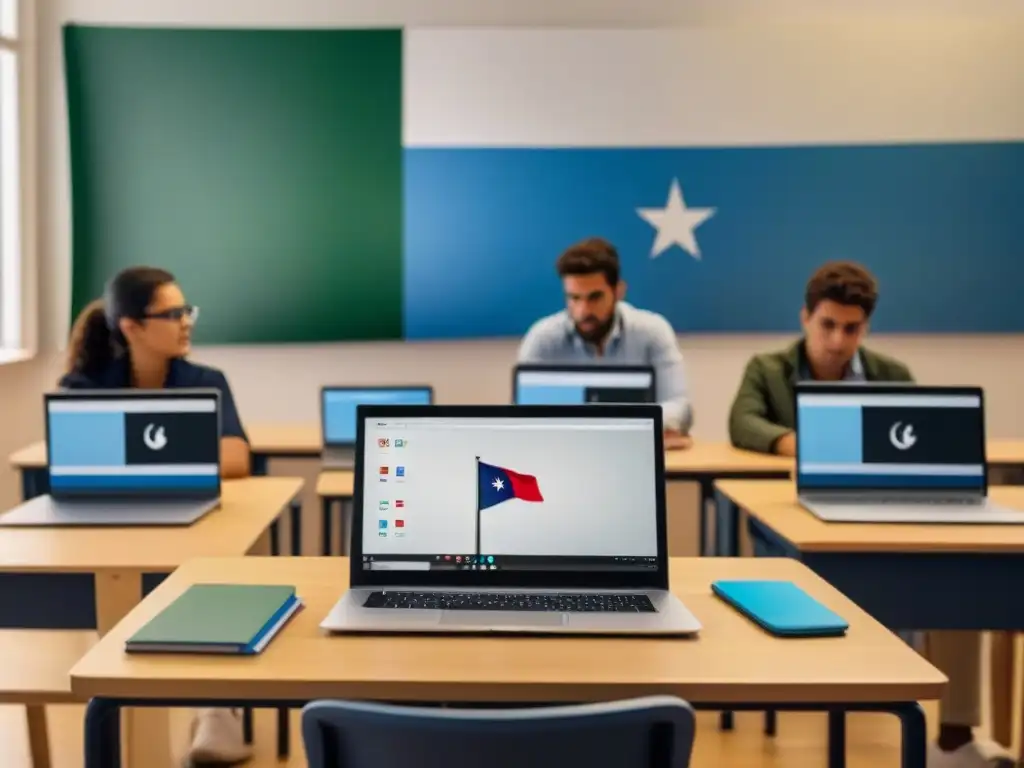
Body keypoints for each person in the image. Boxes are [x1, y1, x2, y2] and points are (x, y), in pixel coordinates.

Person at [728, 261, 1012, 768]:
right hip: (800, 514)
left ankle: (955, 736)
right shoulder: (768, 369)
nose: (838, 340)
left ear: (866, 326)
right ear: (805, 318)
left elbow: (919, 446)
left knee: (965, 580)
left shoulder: (892, 374)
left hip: (890, 512)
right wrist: (812, 446)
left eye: (851, 328)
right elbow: (743, 423)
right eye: (827, 325)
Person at [61, 267, 253, 766]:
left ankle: (215, 707)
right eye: (172, 314)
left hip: (188, 529)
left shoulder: (204, 380)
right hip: (109, 535)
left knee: (213, 572)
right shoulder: (84, 385)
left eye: (187, 311)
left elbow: (235, 458)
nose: (186, 322)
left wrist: (129, 456)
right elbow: (69, 461)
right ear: (132, 326)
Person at [518, 237, 693, 443]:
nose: (583, 311)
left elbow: (679, 405)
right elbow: (522, 415)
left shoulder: (652, 331)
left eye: (594, 297)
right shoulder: (542, 338)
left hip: (633, 454)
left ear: (618, 291)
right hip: (562, 453)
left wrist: (621, 430)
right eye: (574, 298)